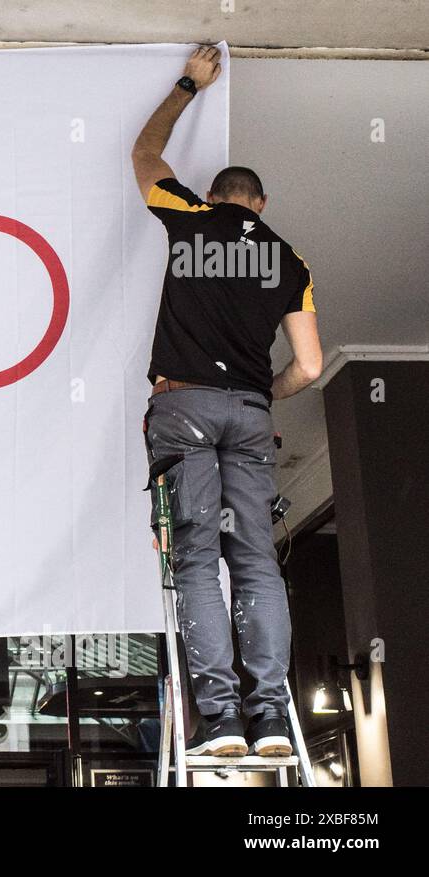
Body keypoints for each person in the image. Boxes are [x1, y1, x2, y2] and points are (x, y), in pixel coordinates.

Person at [131, 46, 323, 757]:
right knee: (254, 563)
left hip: (182, 410)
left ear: (214, 197)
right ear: (262, 206)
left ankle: (220, 720)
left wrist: (189, 84)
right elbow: (306, 365)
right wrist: (260, 397)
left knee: (194, 561)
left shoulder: (187, 216)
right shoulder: (290, 261)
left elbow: (144, 152)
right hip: (247, 414)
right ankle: (270, 713)